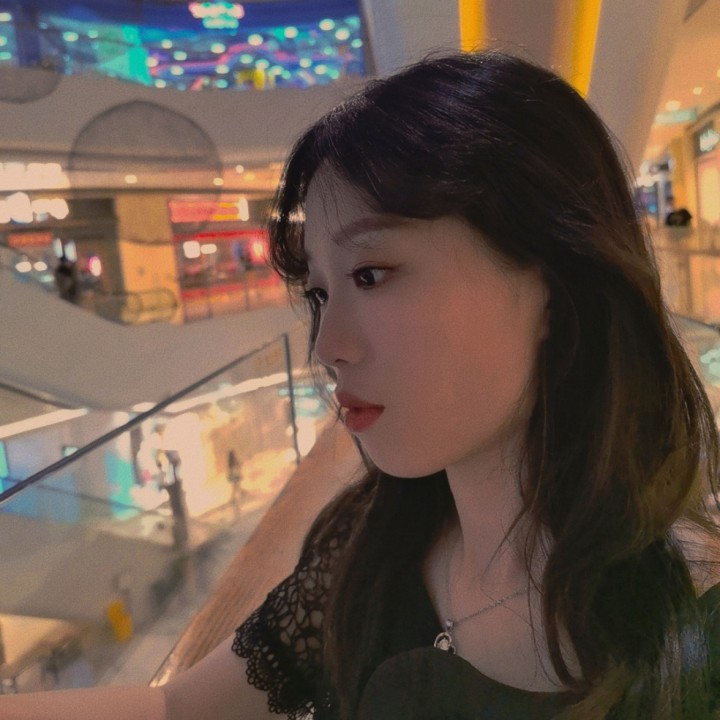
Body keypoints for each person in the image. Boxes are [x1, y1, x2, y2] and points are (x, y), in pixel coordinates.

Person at [3, 50, 720, 719]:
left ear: (554, 287)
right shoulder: (371, 547)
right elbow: (182, 709)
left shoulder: (694, 624)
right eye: (320, 293)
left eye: (372, 275)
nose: (327, 346)